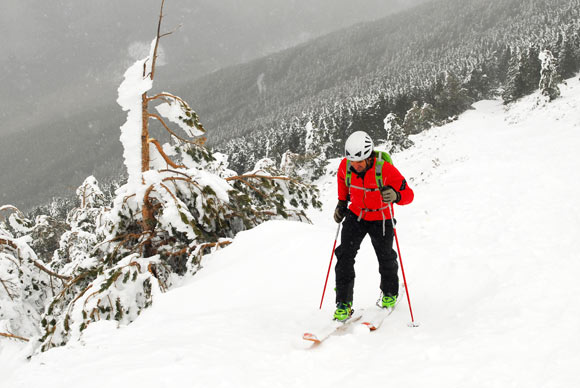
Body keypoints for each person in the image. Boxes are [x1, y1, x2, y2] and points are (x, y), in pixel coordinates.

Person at [332, 130, 414, 321]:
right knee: (344, 256)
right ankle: (343, 304)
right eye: (353, 161)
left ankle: (389, 293)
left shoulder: (385, 170)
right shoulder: (346, 166)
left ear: (369, 157)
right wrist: (341, 204)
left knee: (386, 258)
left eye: (360, 162)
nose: (356, 165)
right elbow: (343, 184)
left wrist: (396, 196)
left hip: (381, 218)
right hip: (357, 215)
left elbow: (408, 195)